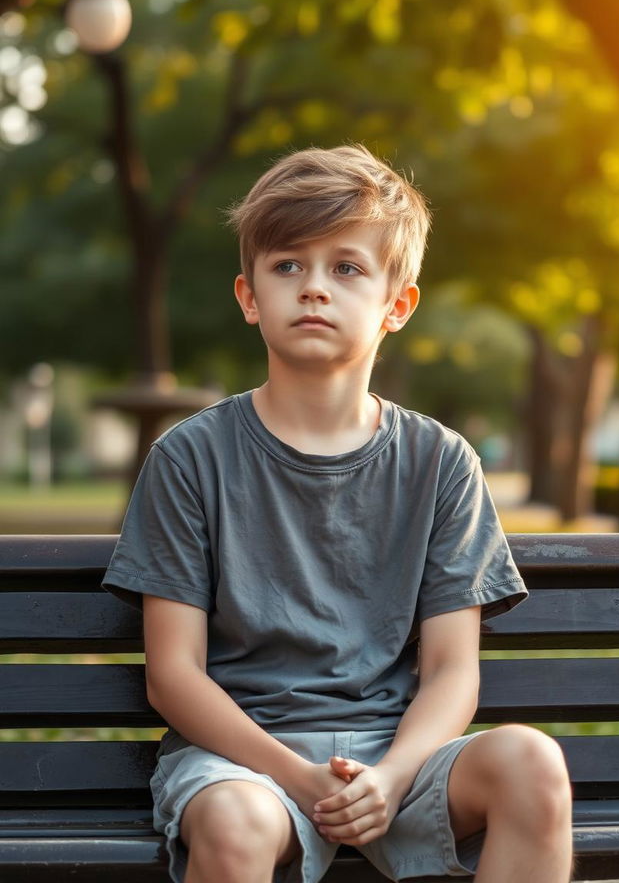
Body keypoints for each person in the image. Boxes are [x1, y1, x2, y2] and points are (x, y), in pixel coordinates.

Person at [102, 143, 573, 883]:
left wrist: (392, 776)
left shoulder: (442, 463)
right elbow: (174, 674)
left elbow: (452, 670)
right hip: (244, 761)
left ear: (398, 305)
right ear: (249, 295)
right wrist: (295, 775)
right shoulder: (190, 458)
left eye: (346, 267)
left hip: (400, 758)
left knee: (532, 764)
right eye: (287, 265)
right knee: (233, 822)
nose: (314, 288)